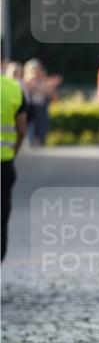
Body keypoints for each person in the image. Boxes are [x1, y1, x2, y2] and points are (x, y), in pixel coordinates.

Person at [1, 74, 28, 261]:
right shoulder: (14, 88)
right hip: (4, 165)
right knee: (1, 221)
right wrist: (12, 153)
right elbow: (22, 130)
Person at [23, 59, 62, 146]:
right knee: (30, 127)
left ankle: (39, 141)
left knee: (42, 126)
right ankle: (31, 141)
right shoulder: (26, 81)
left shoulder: (44, 81)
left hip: (42, 108)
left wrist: (43, 88)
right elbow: (30, 90)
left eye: (37, 69)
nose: (36, 72)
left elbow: (53, 95)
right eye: (33, 70)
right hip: (30, 108)